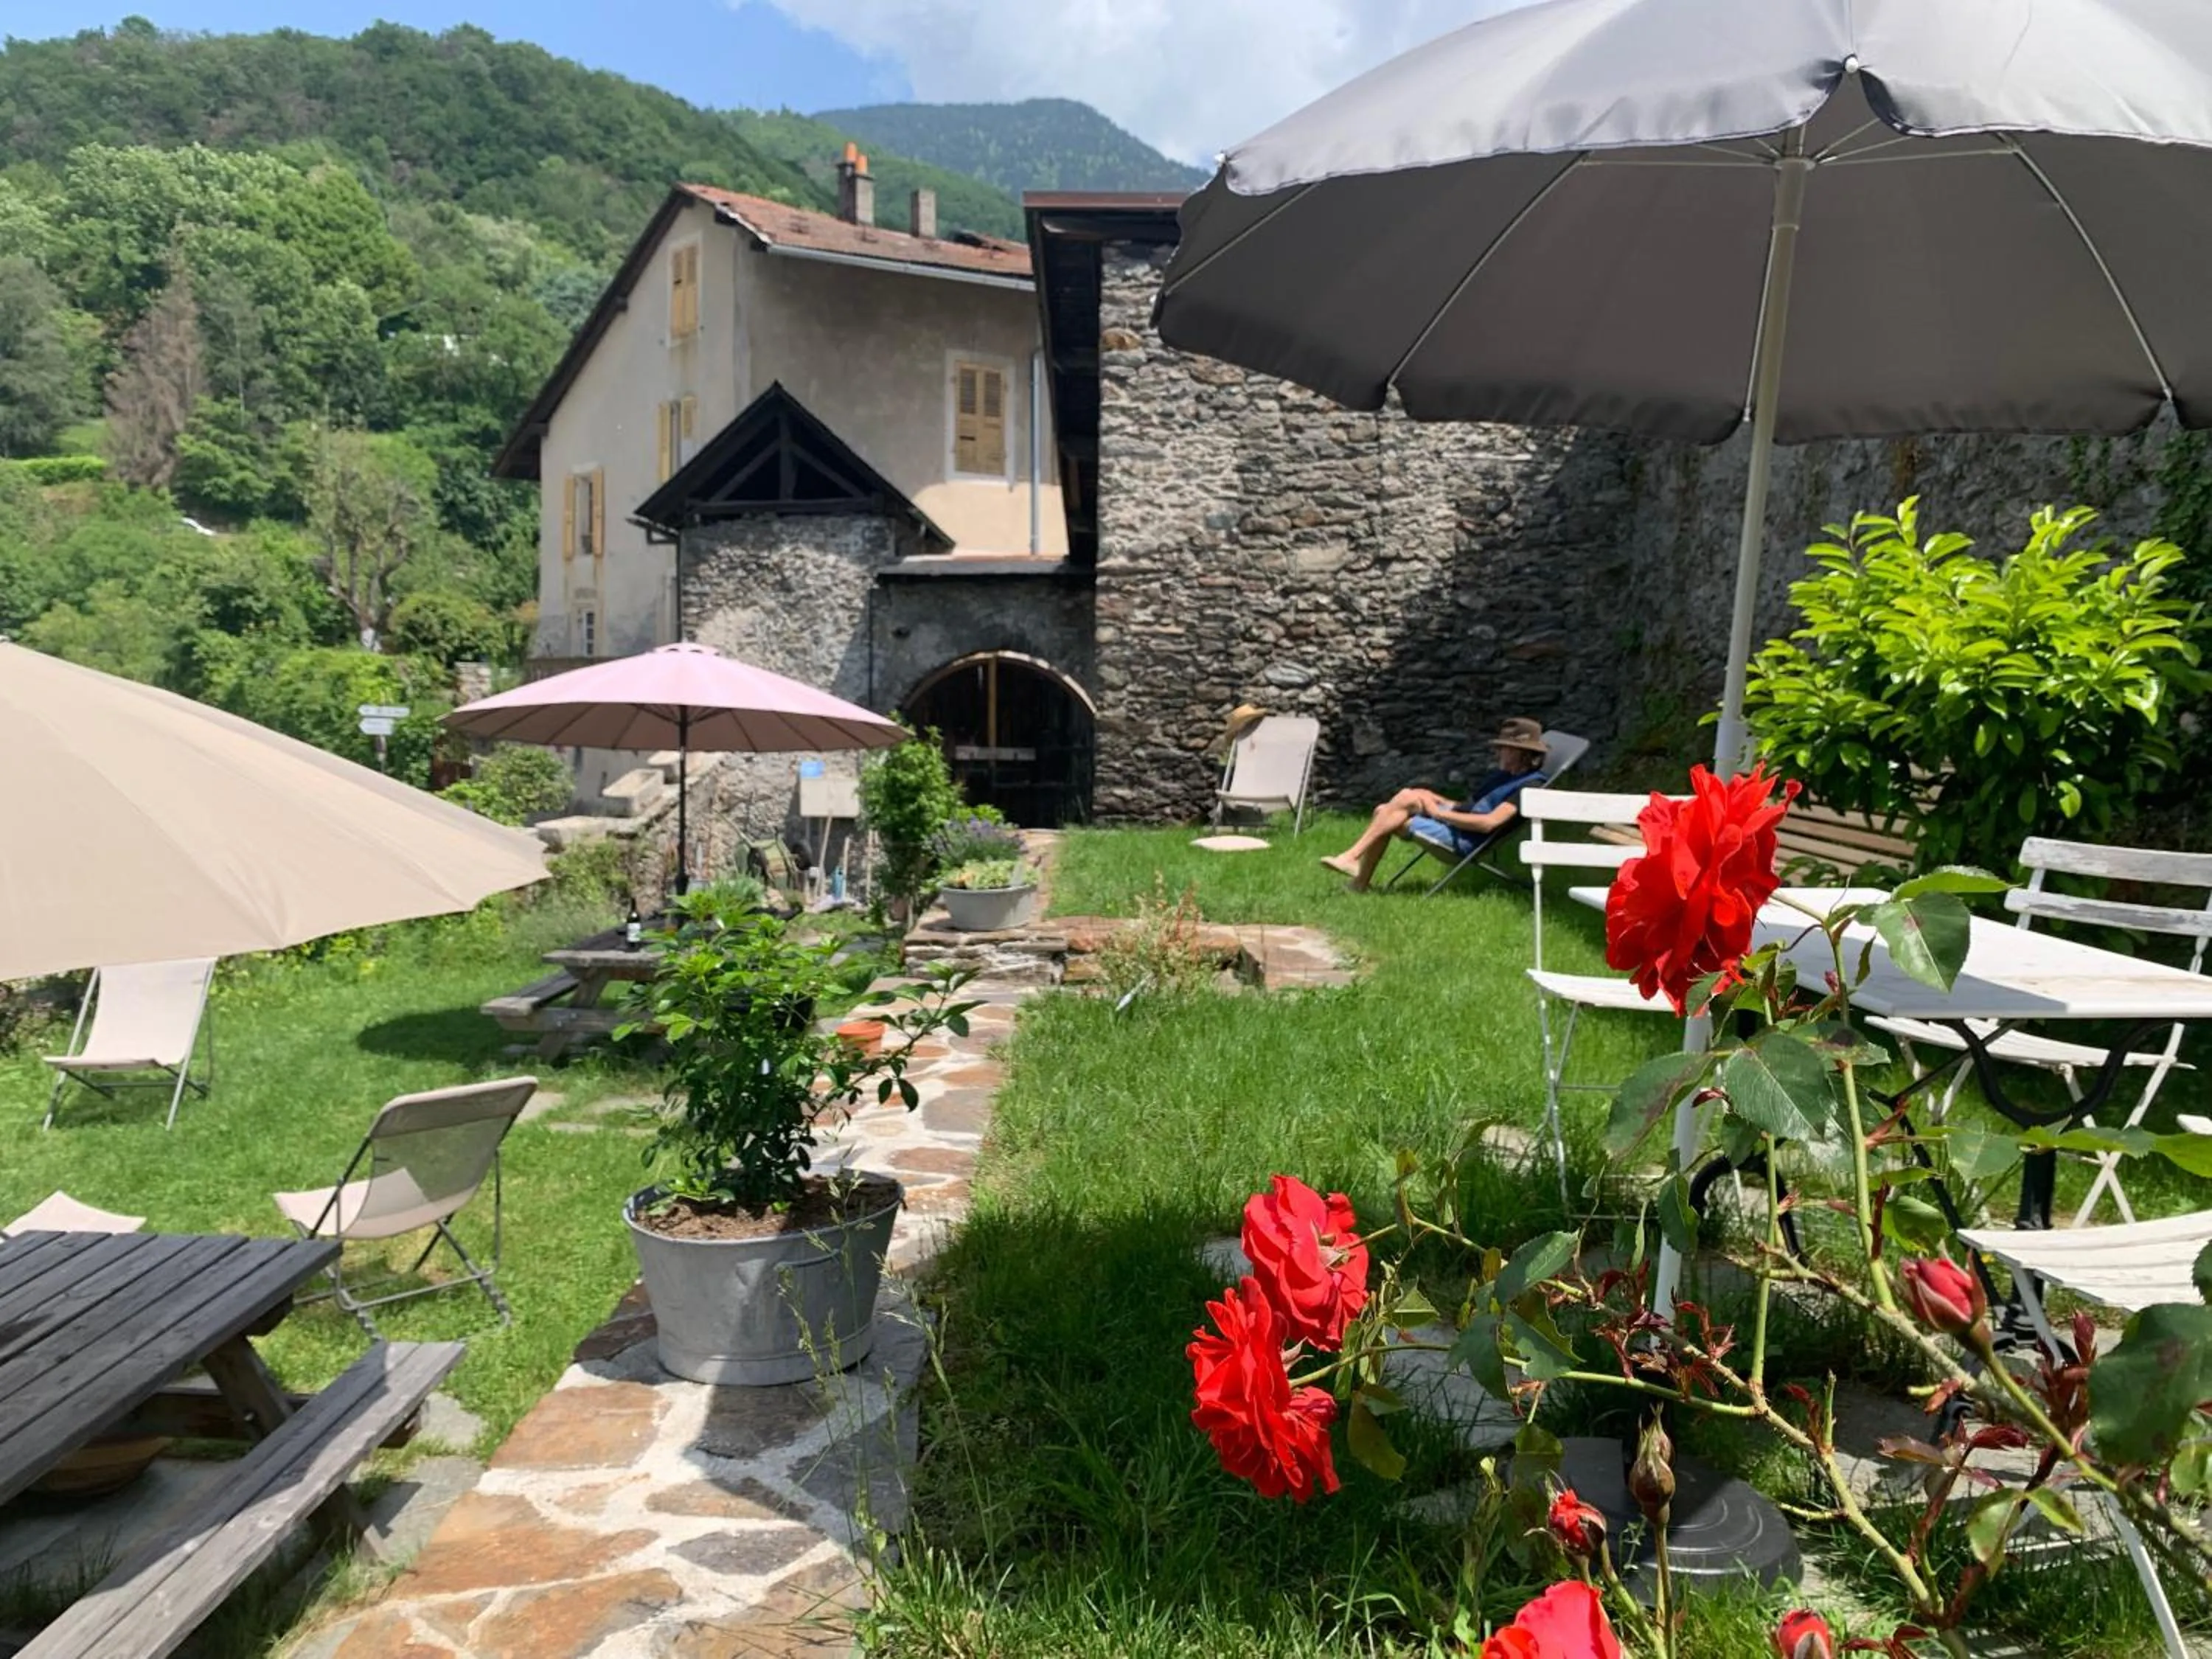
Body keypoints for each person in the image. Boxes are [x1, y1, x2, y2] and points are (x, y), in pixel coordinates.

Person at [1321, 717, 1551, 891]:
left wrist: (1438, 813)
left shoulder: (1529, 787)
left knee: (1387, 811)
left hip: (1466, 842)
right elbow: (1470, 807)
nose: (1498, 751)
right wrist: (1437, 799)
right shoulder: (1506, 776)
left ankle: (1355, 868)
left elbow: (1488, 823)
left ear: (1522, 752)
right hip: (1458, 826)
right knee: (1406, 797)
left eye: (1504, 747)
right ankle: (1354, 868)